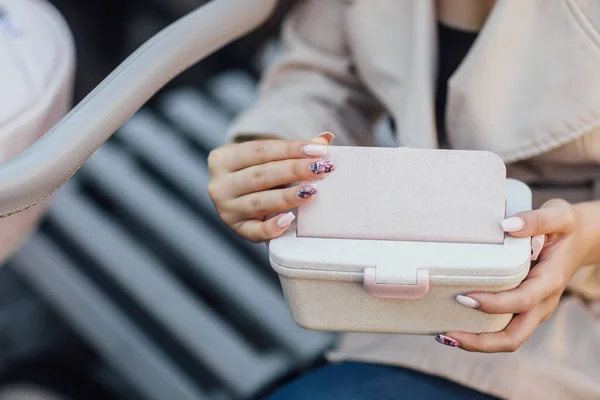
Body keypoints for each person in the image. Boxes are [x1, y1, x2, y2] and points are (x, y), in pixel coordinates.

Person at [207, 0, 600, 398]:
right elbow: (323, 75)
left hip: (581, 310)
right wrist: (276, 157)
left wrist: (585, 235)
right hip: (411, 278)